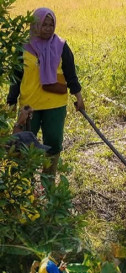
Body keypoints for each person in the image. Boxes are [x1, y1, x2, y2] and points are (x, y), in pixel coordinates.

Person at [6, 8, 85, 176]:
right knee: (23, 144)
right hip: (29, 106)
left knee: (54, 143)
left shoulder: (61, 46)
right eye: (44, 24)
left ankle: (48, 181)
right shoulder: (24, 48)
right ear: (35, 25)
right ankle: (25, 186)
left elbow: (71, 75)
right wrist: (11, 101)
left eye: (51, 24)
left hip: (55, 104)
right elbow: (16, 76)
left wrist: (78, 97)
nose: (48, 28)